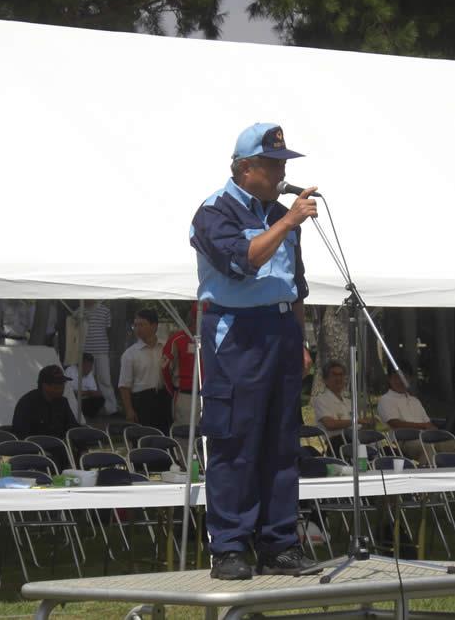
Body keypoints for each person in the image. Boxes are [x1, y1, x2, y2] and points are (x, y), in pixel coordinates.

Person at [189, 122, 318, 580]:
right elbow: (243, 262)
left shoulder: (282, 215)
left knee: (282, 442)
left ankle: (279, 543)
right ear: (246, 168)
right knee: (235, 441)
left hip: (281, 329)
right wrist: (287, 221)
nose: (282, 172)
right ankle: (229, 546)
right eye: (273, 163)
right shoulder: (215, 211)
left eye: (284, 163)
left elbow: (296, 285)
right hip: (235, 332)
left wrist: (301, 341)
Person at [12, 364, 77, 469]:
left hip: (60, 450)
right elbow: (21, 435)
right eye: (57, 384)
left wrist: (82, 446)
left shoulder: (62, 402)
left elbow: (73, 427)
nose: (62, 387)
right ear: (45, 385)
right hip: (36, 452)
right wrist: (41, 450)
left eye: (63, 383)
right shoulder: (27, 403)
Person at [118, 308, 172, 433]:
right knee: (143, 439)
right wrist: (129, 410)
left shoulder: (166, 348)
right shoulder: (130, 354)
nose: (137, 329)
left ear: (154, 326)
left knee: (164, 437)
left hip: (164, 398)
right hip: (142, 401)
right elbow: (124, 385)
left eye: (142, 324)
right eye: (135, 325)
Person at [311, 360, 374, 456]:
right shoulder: (320, 400)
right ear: (325, 379)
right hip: (337, 444)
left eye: (341, 375)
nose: (339, 378)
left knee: (373, 440)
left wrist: (368, 423)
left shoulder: (349, 402)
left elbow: (358, 426)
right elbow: (330, 424)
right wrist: (357, 421)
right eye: (334, 375)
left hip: (356, 440)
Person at [161, 302, 200, 427]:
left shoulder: (213, 338)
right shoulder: (178, 339)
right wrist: (175, 390)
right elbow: (164, 368)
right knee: (184, 436)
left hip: (210, 397)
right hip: (185, 396)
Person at [82, 300, 119, 415]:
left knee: (105, 380)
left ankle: (111, 409)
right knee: (87, 381)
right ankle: (88, 409)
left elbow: (109, 330)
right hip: (85, 351)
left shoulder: (105, 311)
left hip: (101, 350)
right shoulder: (79, 312)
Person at [64, 352, 104, 418]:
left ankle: (88, 416)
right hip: (73, 400)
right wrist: (88, 392)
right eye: (88, 366)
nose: (90, 369)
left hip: (84, 399)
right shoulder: (70, 371)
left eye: (91, 366)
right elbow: (68, 392)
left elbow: (93, 391)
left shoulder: (90, 373)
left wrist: (96, 393)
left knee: (100, 399)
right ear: (80, 364)